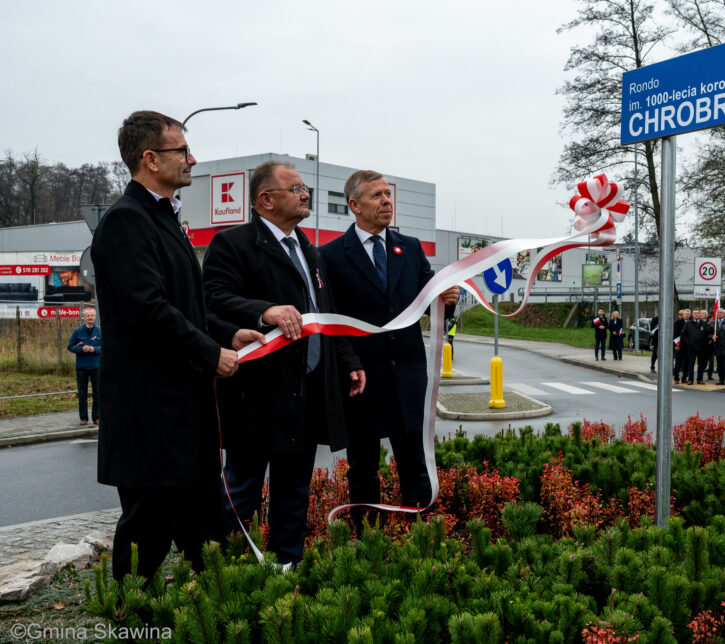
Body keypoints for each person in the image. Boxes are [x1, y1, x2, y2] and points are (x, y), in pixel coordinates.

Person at [91, 111, 258, 582]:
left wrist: (227, 335)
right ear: (150, 159)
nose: (192, 159)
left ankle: (214, 607)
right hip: (151, 417)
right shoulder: (127, 222)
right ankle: (132, 613)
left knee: (206, 532)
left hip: (184, 414)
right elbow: (150, 311)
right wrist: (210, 354)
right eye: (182, 150)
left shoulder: (164, 218)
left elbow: (188, 305)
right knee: (147, 535)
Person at [203, 161, 366, 565]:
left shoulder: (310, 251)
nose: (305, 194)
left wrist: (347, 360)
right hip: (256, 394)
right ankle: (226, 572)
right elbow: (213, 299)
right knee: (242, 489)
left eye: (304, 187)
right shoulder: (233, 244)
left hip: (305, 393)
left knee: (294, 490)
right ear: (266, 199)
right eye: (295, 188)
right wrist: (264, 311)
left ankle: (286, 566)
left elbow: (325, 312)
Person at [320, 169, 459, 534]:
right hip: (361, 377)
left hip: (408, 376)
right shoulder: (330, 256)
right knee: (363, 466)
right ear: (354, 205)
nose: (386, 201)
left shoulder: (410, 248)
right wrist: (348, 363)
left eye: (387, 194)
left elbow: (430, 302)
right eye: (377, 196)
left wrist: (447, 299)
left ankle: (421, 533)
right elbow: (331, 319)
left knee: (414, 461)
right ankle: (367, 538)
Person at [67, 308, 101, 425]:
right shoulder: (77, 332)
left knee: (97, 393)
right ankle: (83, 418)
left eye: (92, 315)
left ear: (95, 317)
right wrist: (81, 349)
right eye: (88, 316)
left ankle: (97, 417)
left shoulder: (100, 332)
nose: (90, 317)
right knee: (82, 394)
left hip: (96, 367)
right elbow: (70, 346)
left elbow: (105, 346)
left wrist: (94, 349)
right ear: (84, 318)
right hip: (82, 367)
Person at [672, 309, 690, 383]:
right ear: (683, 315)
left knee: (686, 362)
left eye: (688, 314)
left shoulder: (691, 322)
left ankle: (684, 378)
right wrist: (676, 345)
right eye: (685, 314)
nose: (687, 315)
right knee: (678, 362)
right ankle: (676, 378)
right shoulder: (677, 322)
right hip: (679, 345)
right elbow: (675, 334)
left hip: (688, 346)